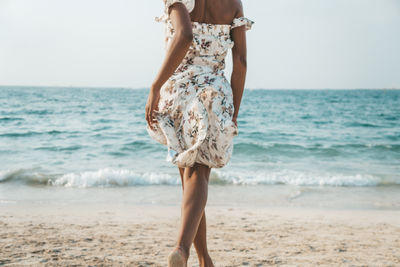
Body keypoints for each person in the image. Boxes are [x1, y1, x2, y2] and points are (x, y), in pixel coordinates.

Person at [145, 0, 253, 266]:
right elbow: (240, 62)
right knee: (197, 175)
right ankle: (184, 250)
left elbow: (184, 35)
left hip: (180, 93)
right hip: (214, 95)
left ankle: (202, 258)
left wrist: (155, 86)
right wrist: (234, 111)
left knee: (190, 180)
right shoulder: (233, 3)